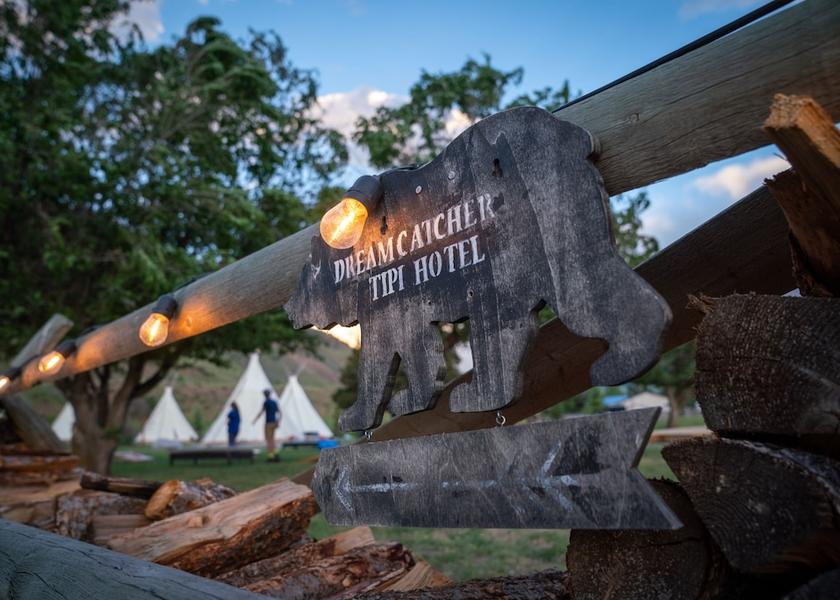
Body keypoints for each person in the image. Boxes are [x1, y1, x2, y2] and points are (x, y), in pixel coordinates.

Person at [254, 388, 281, 461]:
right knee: (272, 439)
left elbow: (261, 412)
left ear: (265, 395)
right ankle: (275, 453)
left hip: (268, 423)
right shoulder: (274, 402)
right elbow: (279, 412)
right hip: (274, 422)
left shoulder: (266, 402)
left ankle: (270, 456)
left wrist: (255, 420)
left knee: (268, 440)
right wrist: (278, 422)